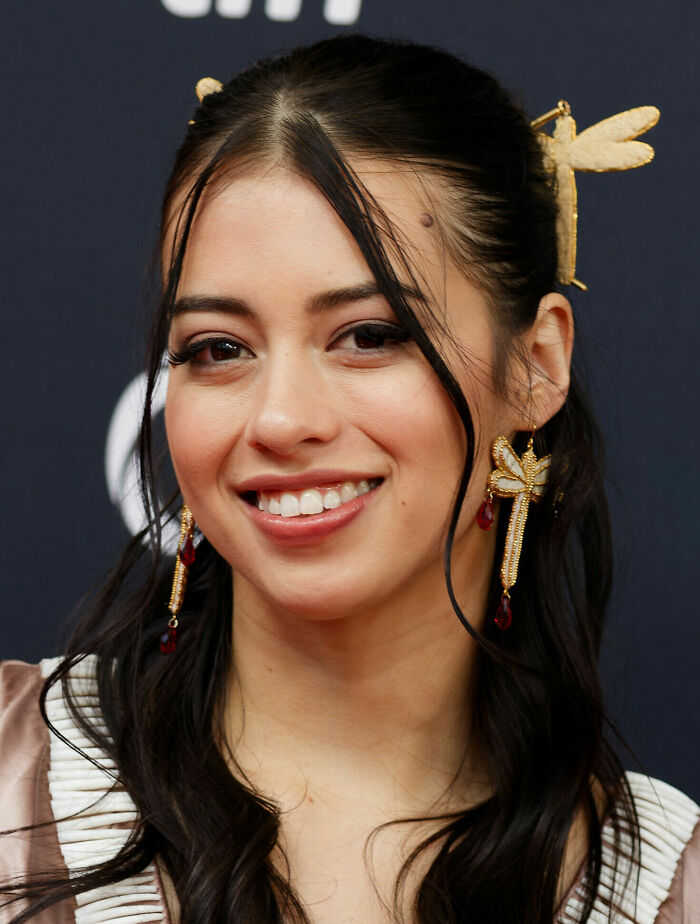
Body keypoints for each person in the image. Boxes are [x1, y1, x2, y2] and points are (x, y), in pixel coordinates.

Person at [0, 33, 697, 924]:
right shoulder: (18, 778)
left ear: (535, 365)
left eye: (370, 335)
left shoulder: (665, 890)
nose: (282, 419)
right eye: (217, 350)